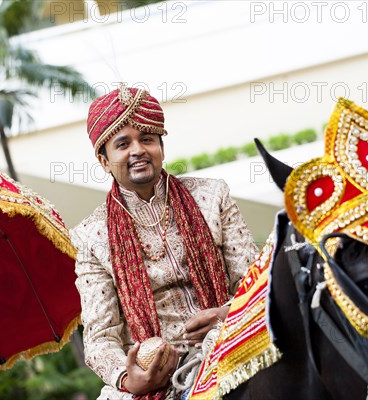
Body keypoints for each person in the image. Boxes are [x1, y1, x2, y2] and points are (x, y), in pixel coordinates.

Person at [69, 85, 259, 399]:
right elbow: (100, 339)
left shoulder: (212, 196)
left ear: (161, 147)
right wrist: (130, 379)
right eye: (122, 144)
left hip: (230, 340)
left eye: (147, 139)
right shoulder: (90, 236)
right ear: (104, 160)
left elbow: (254, 281)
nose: (138, 150)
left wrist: (225, 313)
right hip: (156, 376)